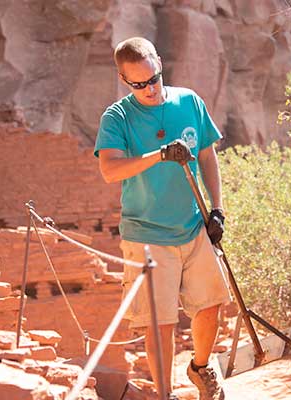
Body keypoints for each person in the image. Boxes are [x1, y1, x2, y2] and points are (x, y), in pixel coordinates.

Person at [94, 37, 231, 400]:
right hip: (146, 233)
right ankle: (165, 394)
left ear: (159, 63)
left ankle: (200, 368)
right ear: (124, 80)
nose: (149, 89)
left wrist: (217, 209)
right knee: (160, 321)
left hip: (192, 223)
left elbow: (207, 156)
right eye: (139, 84)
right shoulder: (117, 117)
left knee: (211, 304)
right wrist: (158, 155)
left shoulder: (190, 101)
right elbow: (109, 170)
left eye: (153, 79)